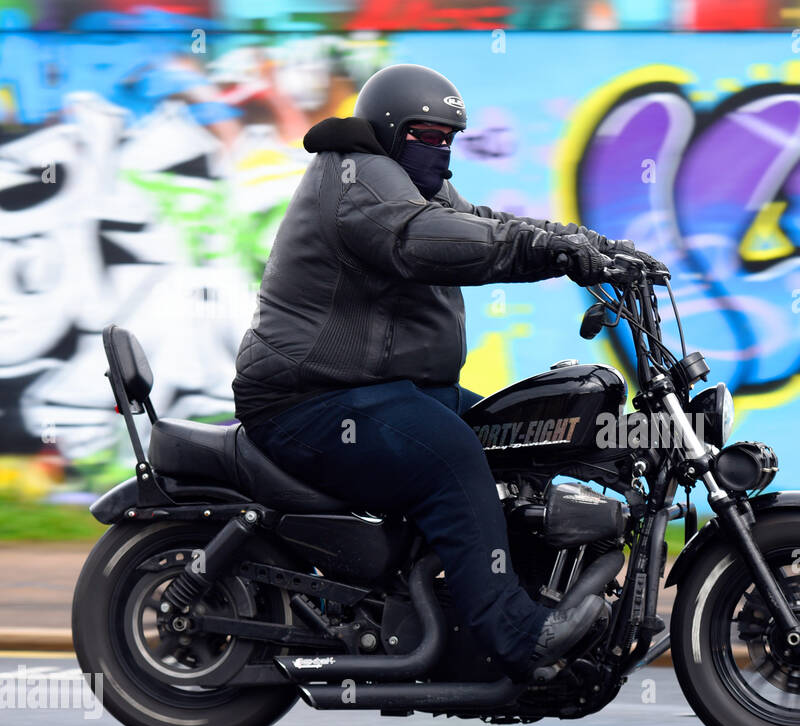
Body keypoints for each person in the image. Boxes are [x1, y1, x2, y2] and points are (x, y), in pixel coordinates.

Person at [232, 64, 662, 683]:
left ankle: (530, 585)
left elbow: (485, 223)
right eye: (426, 135)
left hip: (383, 389)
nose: (439, 151)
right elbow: (423, 238)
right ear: (387, 130)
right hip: (310, 397)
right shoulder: (358, 179)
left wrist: (585, 241)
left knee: (527, 436)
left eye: (448, 138)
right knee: (455, 456)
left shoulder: (412, 183)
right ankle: (515, 632)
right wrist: (547, 254)